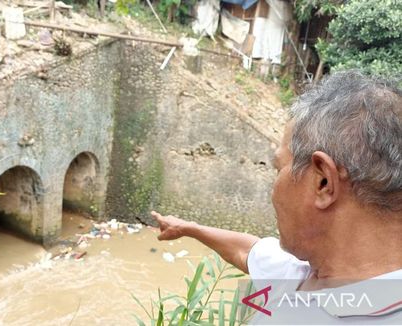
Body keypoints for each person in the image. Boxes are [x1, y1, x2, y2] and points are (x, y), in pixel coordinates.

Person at [151, 70, 402, 324]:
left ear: (323, 182)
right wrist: (189, 229)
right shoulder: (304, 273)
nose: (274, 187)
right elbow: (246, 250)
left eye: (278, 168)